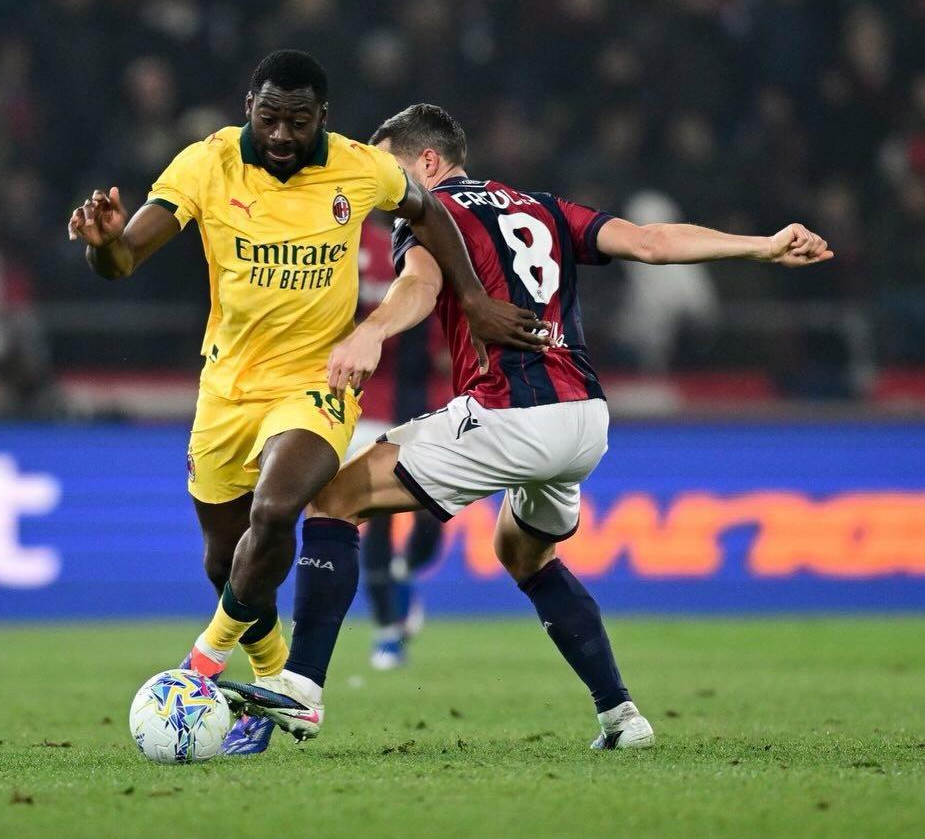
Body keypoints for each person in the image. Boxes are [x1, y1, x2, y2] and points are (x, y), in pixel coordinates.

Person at [220, 103, 833, 750]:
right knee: (523, 551)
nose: (381, 185)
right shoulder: (542, 206)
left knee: (332, 497)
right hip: (584, 418)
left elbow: (420, 285)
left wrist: (371, 331)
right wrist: (761, 245)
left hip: (509, 412)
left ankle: (301, 690)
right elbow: (650, 242)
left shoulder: (430, 213)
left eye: (389, 167)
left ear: (427, 161)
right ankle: (621, 717)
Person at [67, 56, 543, 756]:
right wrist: (105, 246)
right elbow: (125, 258)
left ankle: (200, 666)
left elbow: (429, 209)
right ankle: (271, 681)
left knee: (275, 509)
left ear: (323, 116)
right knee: (225, 563)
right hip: (227, 389)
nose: (282, 135)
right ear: (249, 109)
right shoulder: (205, 164)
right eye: (269, 118)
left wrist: (471, 297)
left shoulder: (359, 167)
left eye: (298, 120)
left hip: (317, 382)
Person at [353, 219, 444, 670]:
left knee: (433, 517)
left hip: (417, 403)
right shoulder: (312, 248)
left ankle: (402, 573)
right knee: (373, 518)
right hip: (355, 407)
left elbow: (437, 340)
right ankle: (387, 630)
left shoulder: (400, 251)